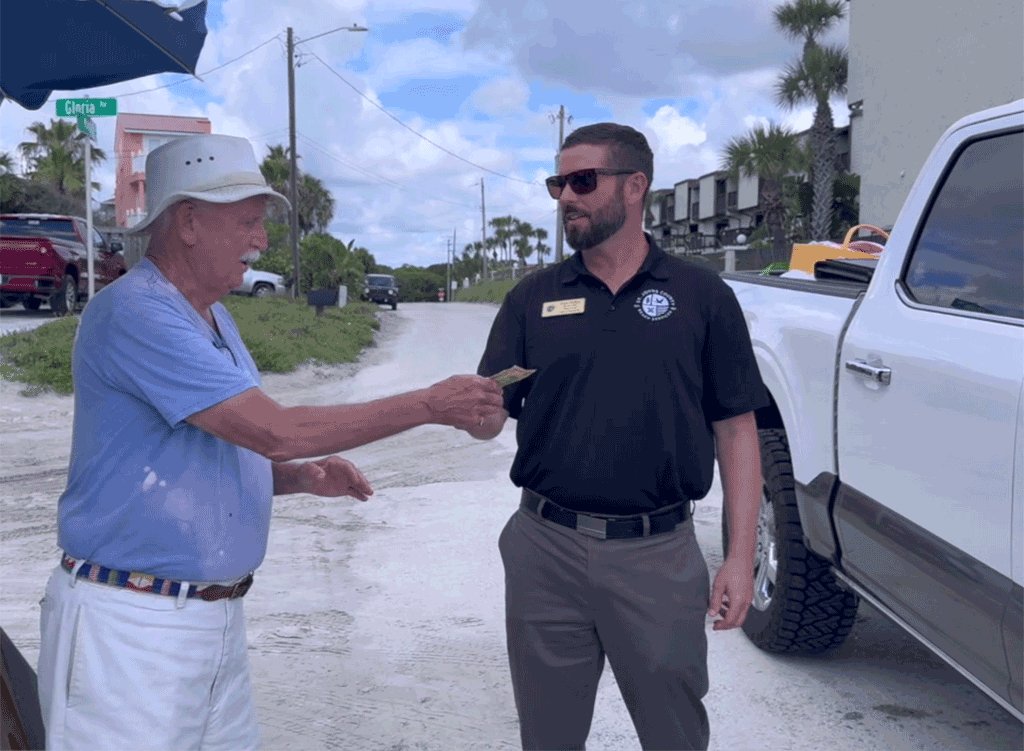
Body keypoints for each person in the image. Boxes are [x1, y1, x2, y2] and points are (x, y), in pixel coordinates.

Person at [36, 133, 504, 751]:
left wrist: (297, 478)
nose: (261, 241)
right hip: (131, 628)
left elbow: (205, 447)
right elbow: (272, 431)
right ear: (189, 221)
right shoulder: (137, 313)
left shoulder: (211, 315)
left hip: (206, 620)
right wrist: (426, 405)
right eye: (250, 222)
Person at [472, 122, 767, 751]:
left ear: (635, 187)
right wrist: (470, 411)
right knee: (548, 738)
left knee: (675, 736)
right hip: (543, 551)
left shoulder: (702, 297)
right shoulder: (532, 299)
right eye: (558, 184)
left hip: (657, 556)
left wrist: (740, 558)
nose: (566, 198)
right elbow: (491, 407)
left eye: (582, 181)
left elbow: (737, 429)